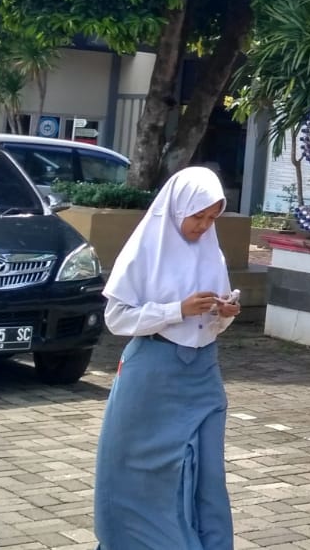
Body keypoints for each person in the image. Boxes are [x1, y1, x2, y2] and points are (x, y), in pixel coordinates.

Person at [94, 166, 241, 550]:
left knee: (208, 475)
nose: (204, 226)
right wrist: (177, 309)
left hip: (203, 371)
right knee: (138, 472)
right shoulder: (146, 249)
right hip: (152, 371)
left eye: (212, 218)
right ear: (177, 209)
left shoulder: (213, 253)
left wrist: (221, 315)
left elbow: (206, 326)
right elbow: (117, 318)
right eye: (198, 216)